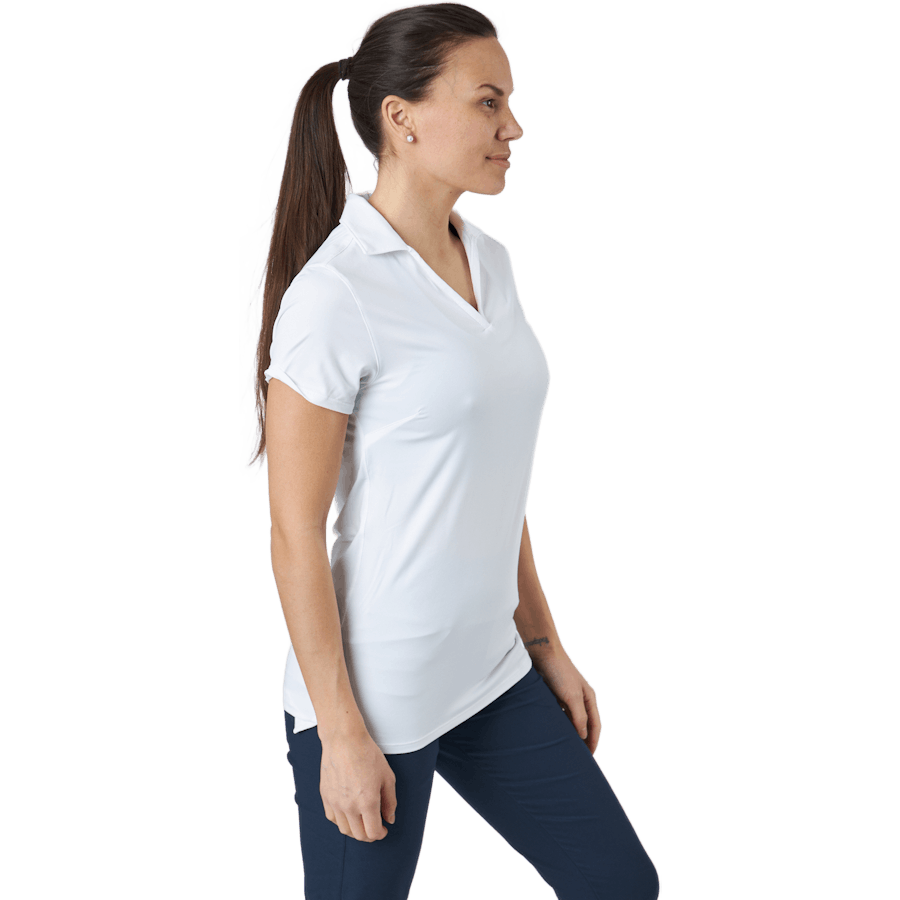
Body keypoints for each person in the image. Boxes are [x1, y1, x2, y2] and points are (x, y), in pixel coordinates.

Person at [238, 2, 661, 897]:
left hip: (490, 672)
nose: (514, 127)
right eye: (488, 102)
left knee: (619, 884)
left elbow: (490, 479)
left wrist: (543, 641)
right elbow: (293, 529)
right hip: (377, 693)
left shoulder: (491, 260)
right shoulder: (336, 294)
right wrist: (341, 732)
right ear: (402, 118)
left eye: (510, 102)